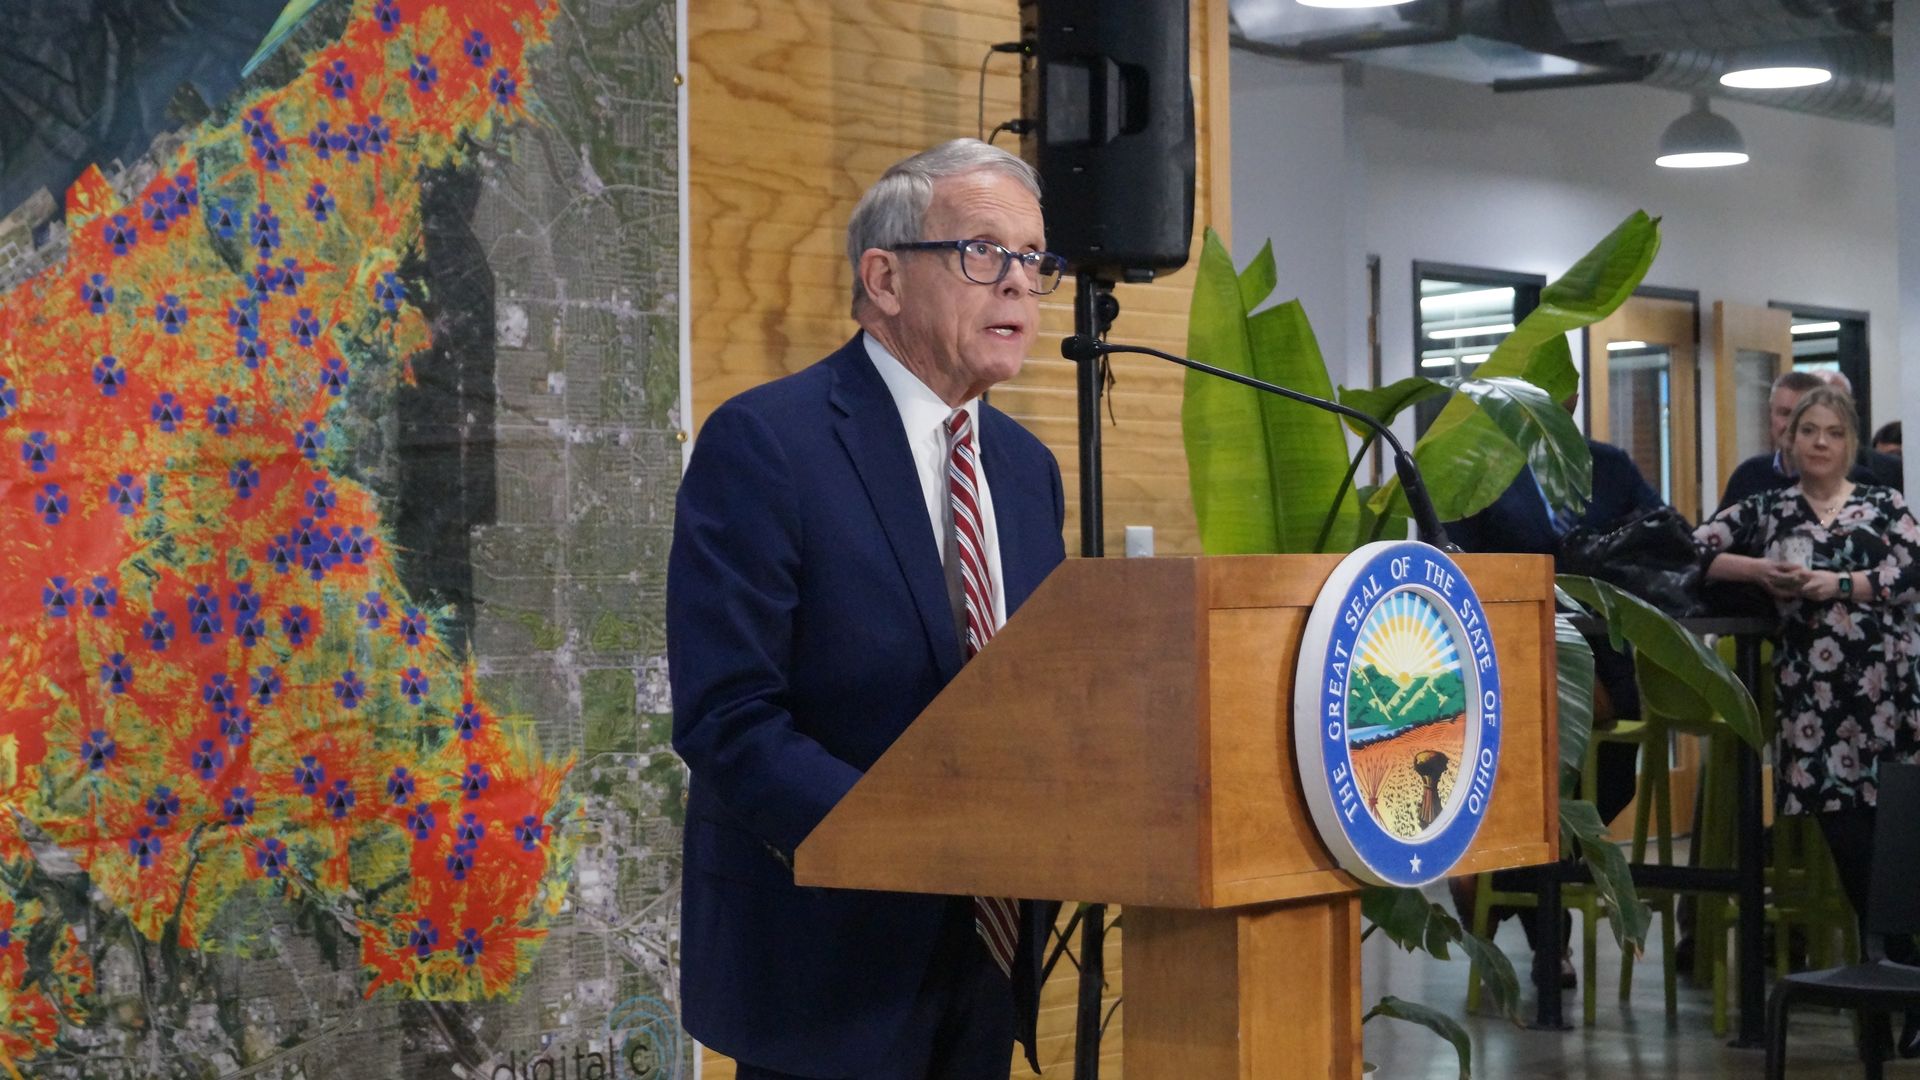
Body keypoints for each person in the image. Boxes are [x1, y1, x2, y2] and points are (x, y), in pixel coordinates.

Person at [667, 139, 1068, 1080]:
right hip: (826, 971)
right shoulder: (766, 444)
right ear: (884, 278)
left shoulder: (1025, 470)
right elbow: (730, 721)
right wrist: (920, 844)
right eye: (983, 253)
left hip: (988, 955)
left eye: (1033, 261)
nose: (1017, 286)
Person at [1695, 385, 1920, 1052]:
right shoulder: (1769, 508)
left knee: (1897, 844)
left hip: (1886, 697)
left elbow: (1911, 571)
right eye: (1808, 431)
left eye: (1833, 433)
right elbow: (1690, 548)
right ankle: (1898, 979)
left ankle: (1901, 991)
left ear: (1850, 444)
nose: (1820, 442)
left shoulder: (1884, 504)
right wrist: (1759, 570)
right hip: (1814, 709)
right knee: (1854, 847)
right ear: (1789, 442)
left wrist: (1840, 585)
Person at [1446, 431, 1662, 977]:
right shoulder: (1479, 461)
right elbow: (1449, 553)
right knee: (1534, 778)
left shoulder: (1606, 465)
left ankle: (1502, 878)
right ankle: (1549, 941)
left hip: (1603, 643)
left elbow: (1661, 533)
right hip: (1510, 647)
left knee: (1611, 781)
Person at [1718, 371, 1900, 514]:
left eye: (1805, 423)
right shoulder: (1749, 475)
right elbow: (1703, 550)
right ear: (1770, 415)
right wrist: (1755, 564)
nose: (1791, 425)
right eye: (1784, 413)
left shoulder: (1865, 484)